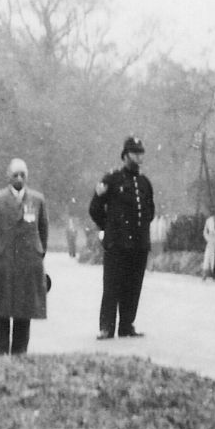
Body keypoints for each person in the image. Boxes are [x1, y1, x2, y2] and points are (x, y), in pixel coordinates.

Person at [89, 136, 155, 339]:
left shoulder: (144, 182)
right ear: (125, 156)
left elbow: (150, 211)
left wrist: (140, 232)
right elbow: (95, 208)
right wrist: (109, 228)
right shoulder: (112, 179)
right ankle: (107, 327)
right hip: (117, 244)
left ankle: (127, 324)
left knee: (133, 286)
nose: (139, 157)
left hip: (138, 244)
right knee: (112, 286)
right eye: (135, 153)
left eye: (141, 153)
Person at [0, 158, 48, 356]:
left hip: (28, 263)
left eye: (22, 175)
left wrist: (38, 254)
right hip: (4, 262)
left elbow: (43, 230)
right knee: (2, 311)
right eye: (15, 174)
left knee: (24, 312)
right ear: (8, 176)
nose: (19, 178)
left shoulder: (37, 200)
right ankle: (1, 354)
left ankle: (20, 354)